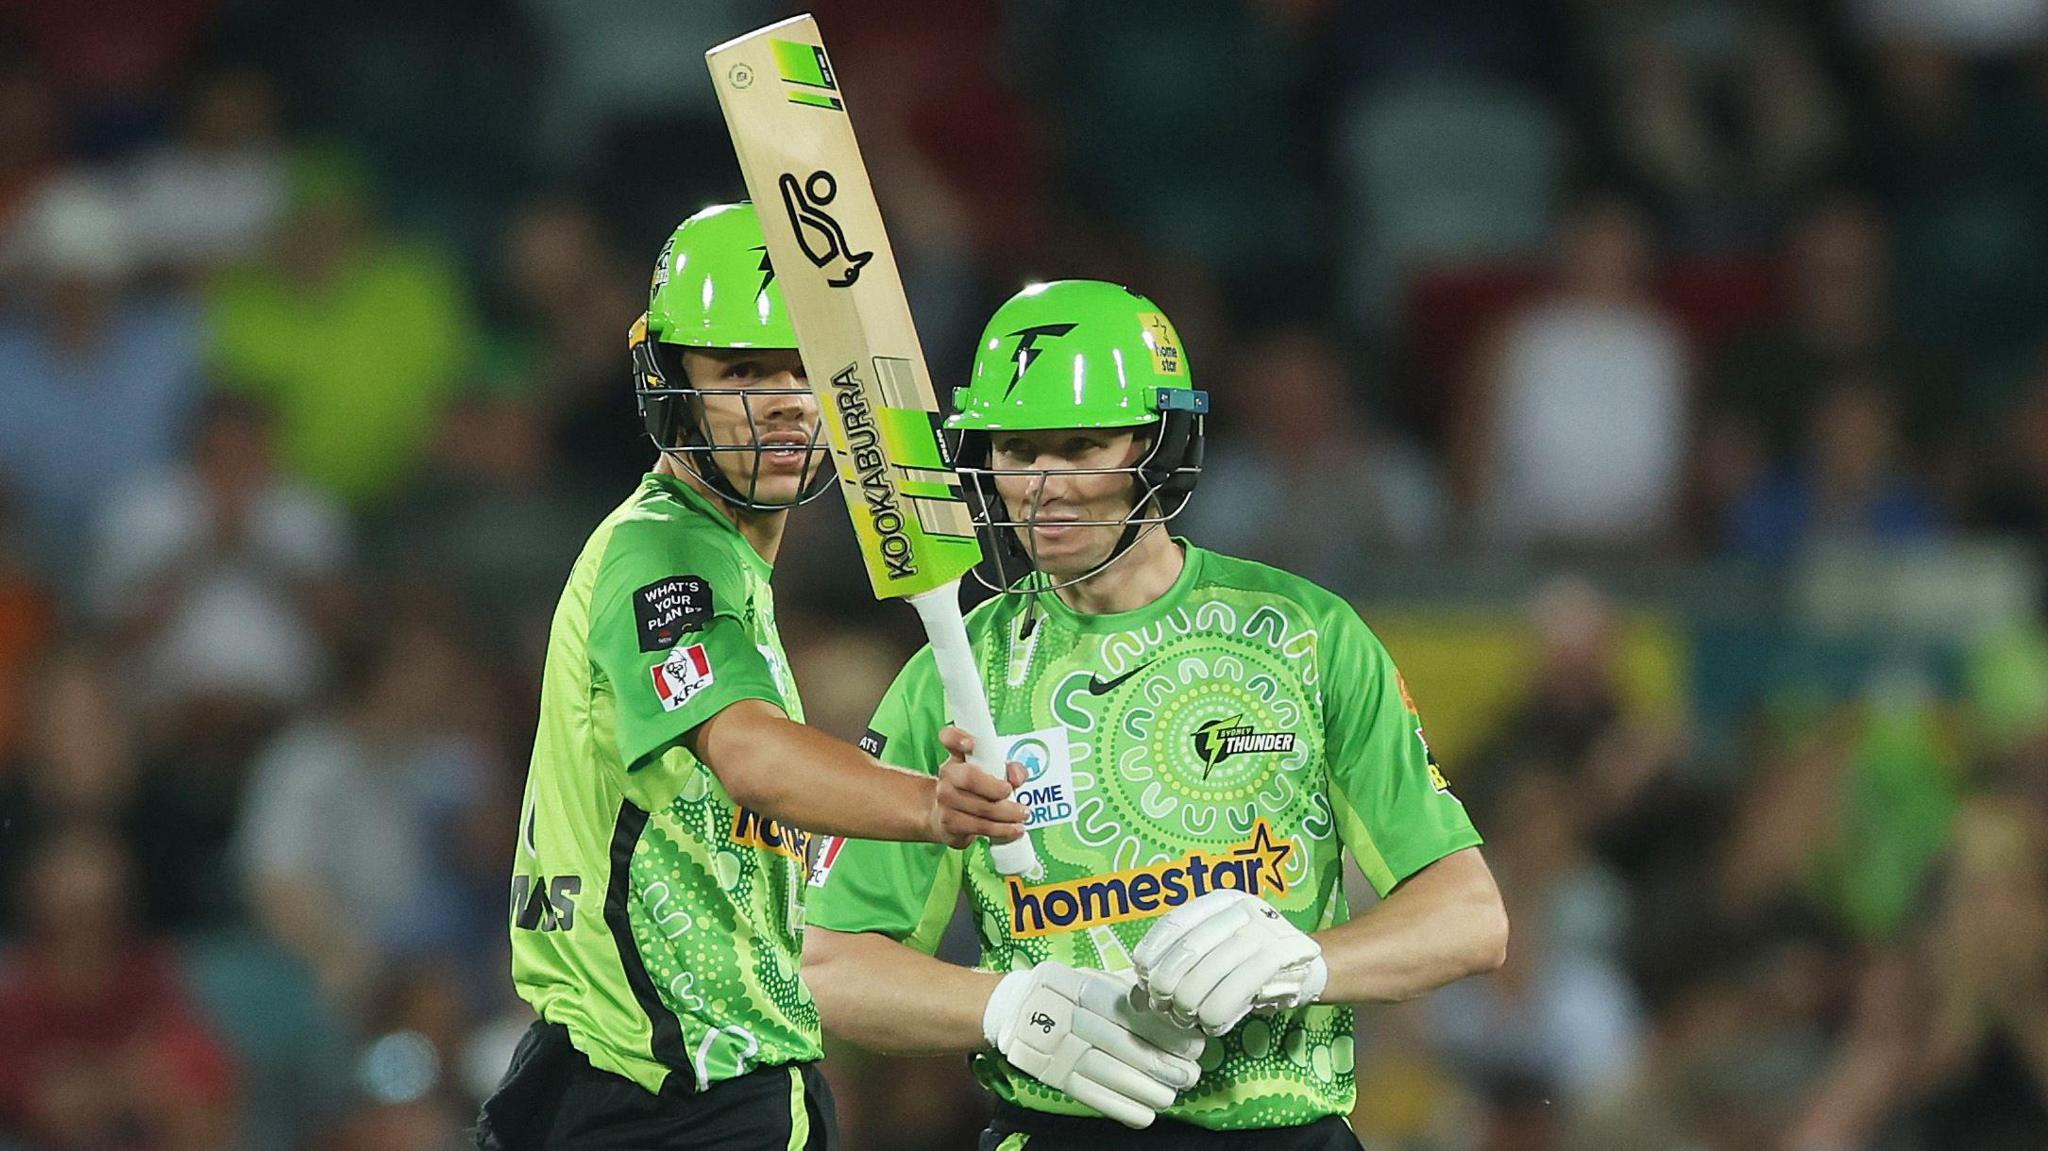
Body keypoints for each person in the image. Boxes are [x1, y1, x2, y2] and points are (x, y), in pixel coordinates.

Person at [804, 280, 1510, 1147]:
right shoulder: (949, 675)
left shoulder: (1306, 635)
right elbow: (832, 965)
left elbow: (1470, 916)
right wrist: (1009, 1004)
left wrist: (1308, 964)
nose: (1043, 488)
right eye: (1018, 450)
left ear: (1161, 446)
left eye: (1082, 446)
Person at [476, 203, 1027, 1151]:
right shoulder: (663, 554)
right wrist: (933, 808)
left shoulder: (729, 564)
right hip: (675, 1088)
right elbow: (746, 751)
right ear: (671, 384)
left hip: (650, 1072)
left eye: (805, 371)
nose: (783, 400)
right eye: (741, 372)